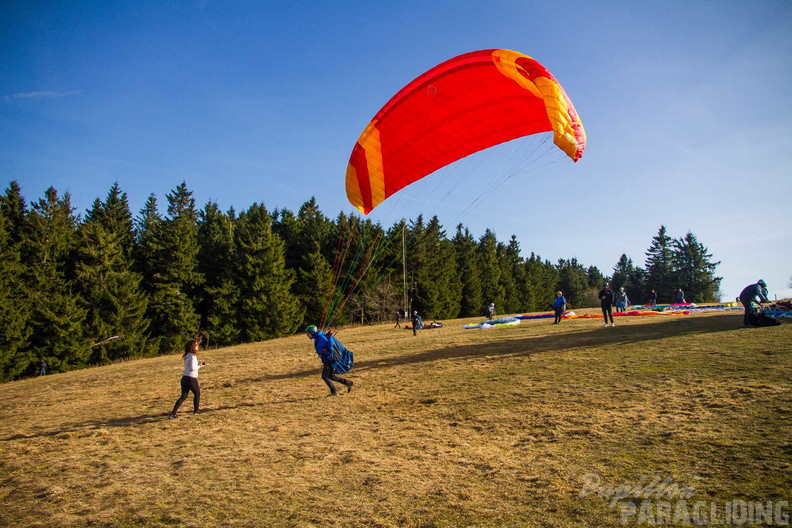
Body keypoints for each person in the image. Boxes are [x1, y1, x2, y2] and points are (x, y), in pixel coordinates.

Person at [306, 325, 353, 396]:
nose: (307, 335)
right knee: (330, 376)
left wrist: (327, 355)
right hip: (328, 359)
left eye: (308, 333)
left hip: (330, 359)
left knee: (325, 376)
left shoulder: (321, 338)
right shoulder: (318, 337)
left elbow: (330, 346)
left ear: (312, 332)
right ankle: (347, 383)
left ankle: (334, 392)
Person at [168, 339, 206, 419]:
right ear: (193, 347)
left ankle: (173, 414)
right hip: (191, 378)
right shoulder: (192, 356)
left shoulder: (187, 355)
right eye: (196, 345)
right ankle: (196, 411)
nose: (198, 347)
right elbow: (192, 368)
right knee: (197, 394)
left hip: (184, 378)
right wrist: (200, 366)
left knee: (183, 396)